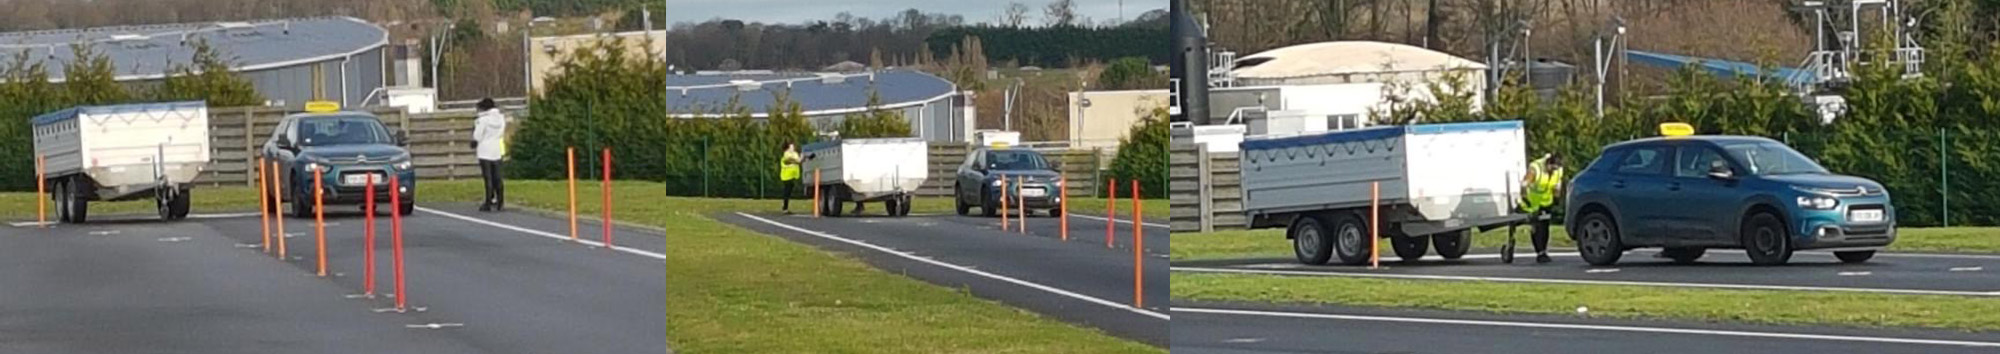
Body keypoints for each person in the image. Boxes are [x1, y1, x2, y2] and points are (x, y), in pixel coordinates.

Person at [1519, 153, 1566, 264]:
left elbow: (1557, 185)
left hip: (1546, 202)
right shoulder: (1536, 168)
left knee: (1545, 226)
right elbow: (1524, 184)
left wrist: (1557, 199)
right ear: (1548, 163)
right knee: (1537, 227)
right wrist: (1525, 199)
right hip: (1532, 202)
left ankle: (1543, 251)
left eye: (1556, 169)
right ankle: (1540, 252)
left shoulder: (1558, 170)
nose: (1553, 171)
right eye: (1552, 168)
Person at [472, 98, 507, 212]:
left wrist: (474, 141)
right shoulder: (501, 119)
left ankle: (488, 201)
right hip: (496, 149)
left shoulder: (483, 120)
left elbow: (478, 135)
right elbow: (501, 133)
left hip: (484, 150)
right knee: (498, 176)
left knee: (488, 177)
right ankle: (500, 201)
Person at [779, 142, 802, 214]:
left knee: (789, 192)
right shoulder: (786, 156)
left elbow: (798, 161)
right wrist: (801, 158)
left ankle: (785, 207)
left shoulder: (794, 154)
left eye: (793, 147)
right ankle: (785, 208)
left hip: (793, 176)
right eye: (791, 147)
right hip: (786, 177)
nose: (792, 148)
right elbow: (795, 161)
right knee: (787, 192)